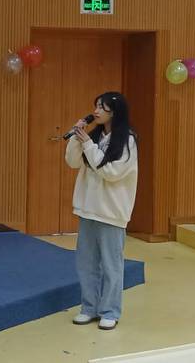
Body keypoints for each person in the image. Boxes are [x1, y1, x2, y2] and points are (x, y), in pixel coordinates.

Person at [65, 92, 138, 331]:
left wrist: (87, 144)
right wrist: (76, 138)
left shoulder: (127, 140)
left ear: (114, 112)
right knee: (86, 263)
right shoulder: (94, 136)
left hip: (111, 213)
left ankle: (110, 311)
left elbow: (111, 173)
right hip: (88, 209)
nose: (96, 111)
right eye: (95, 106)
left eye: (102, 107)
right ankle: (89, 308)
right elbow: (73, 162)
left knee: (111, 265)